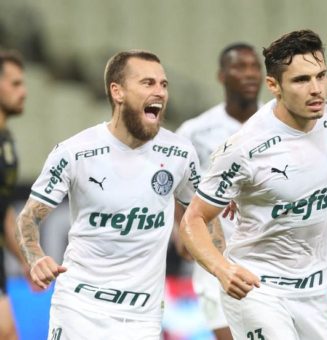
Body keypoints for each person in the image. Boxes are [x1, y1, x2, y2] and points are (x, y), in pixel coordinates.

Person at [15, 50, 200, 339]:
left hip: (143, 316)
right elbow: (27, 218)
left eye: (164, 84)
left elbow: (200, 217)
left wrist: (220, 265)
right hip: (79, 308)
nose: (160, 92)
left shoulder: (180, 153)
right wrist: (36, 257)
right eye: (148, 83)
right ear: (118, 92)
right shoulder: (74, 152)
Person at [180, 29, 327, 340]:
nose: (316, 89)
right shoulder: (244, 147)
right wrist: (221, 268)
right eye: (301, 80)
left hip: (317, 289)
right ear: (274, 85)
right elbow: (193, 218)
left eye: (321, 76)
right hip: (258, 288)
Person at [176, 42, 262, 340]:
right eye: (240, 67)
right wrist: (181, 229)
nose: (250, 74)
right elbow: (179, 185)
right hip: (216, 256)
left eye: (255, 67)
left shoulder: (275, 125)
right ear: (222, 76)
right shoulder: (195, 131)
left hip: (266, 255)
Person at [0, 49, 27, 340]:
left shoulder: (6, 141)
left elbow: (3, 208)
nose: (24, 92)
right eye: (15, 84)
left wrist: (25, 260)